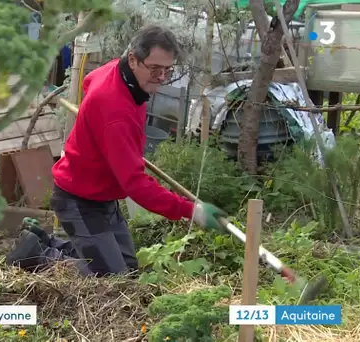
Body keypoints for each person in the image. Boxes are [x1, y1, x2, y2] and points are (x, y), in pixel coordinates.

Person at [49, 25, 227, 276]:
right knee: (112, 279)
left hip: (103, 197)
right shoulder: (116, 113)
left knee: (129, 270)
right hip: (78, 199)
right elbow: (135, 185)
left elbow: (90, 81)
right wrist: (191, 211)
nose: (162, 77)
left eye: (167, 69)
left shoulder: (118, 72)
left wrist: (108, 143)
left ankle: (79, 251)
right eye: (154, 68)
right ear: (133, 59)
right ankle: (41, 253)